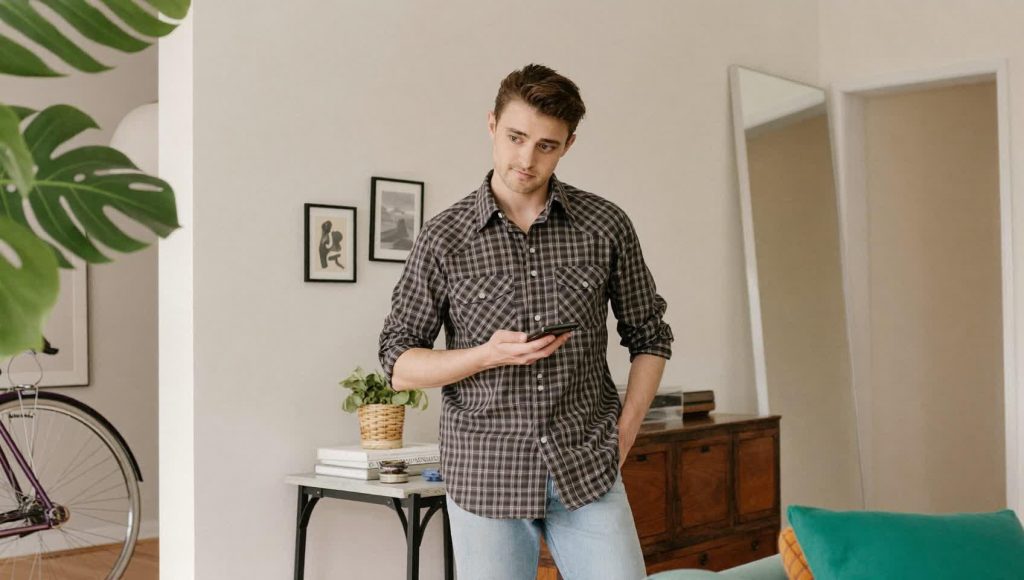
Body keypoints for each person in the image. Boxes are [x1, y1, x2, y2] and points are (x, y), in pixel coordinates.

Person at [379, 63, 673, 580]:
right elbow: (398, 364)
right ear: (492, 124)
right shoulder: (444, 238)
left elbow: (650, 336)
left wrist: (626, 433)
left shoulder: (605, 225)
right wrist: (486, 355)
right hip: (485, 477)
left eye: (546, 145)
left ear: (568, 146)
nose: (526, 159)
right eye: (516, 137)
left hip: (587, 469)